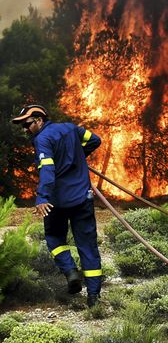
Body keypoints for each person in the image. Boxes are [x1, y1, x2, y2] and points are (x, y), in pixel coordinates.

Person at [12, 104, 103, 306]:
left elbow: (47, 170)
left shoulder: (42, 139)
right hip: (82, 198)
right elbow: (95, 140)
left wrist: (42, 197)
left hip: (58, 202)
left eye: (27, 125)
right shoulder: (71, 128)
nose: (25, 130)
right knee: (87, 245)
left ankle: (71, 272)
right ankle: (94, 297)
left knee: (54, 237)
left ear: (39, 120)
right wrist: (77, 157)